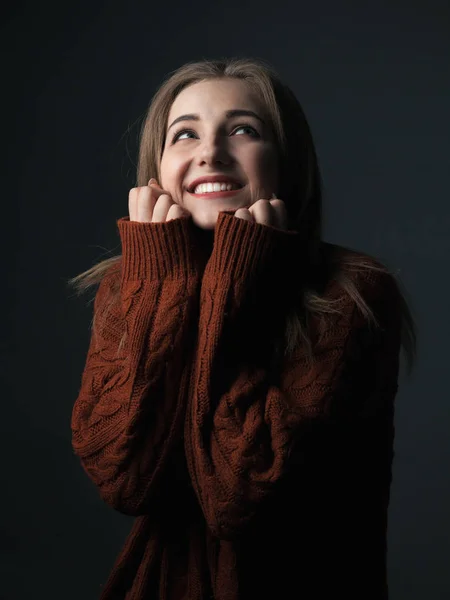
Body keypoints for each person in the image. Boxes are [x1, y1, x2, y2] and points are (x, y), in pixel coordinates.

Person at [69, 57, 417, 600]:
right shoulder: (130, 283)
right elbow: (123, 479)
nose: (210, 151)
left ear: (286, 162)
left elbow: (237, 493)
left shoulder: (351, 290)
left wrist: (237, 290)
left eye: (242, 130)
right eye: (184, 134)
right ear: (158, 169)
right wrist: (157, 282)